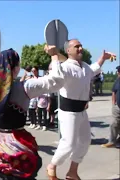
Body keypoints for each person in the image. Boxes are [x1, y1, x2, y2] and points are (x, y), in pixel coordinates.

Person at [0, 46, 66, 180]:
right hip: (17, 143)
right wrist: (54, 56)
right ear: (16, 68)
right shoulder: (25, 87)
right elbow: (56, 81)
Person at [46, 39, 116, 180]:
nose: (80, 48)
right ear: (68, 50)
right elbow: (55, 77)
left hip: (82, 111)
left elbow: (94, 69)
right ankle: (52, 166)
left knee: (85, 141)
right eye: (76, 46)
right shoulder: (65, 67)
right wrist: (53, 55)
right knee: (68, 144)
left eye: (81, 46)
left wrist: (103, 58)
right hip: (68, 112)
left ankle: (72, 171)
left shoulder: (84, 67)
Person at [101, 66, 120, 148]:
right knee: (114, 124)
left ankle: (118, 141)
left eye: (118, 71)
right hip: (117, 107)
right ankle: (112, 141)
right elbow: (113, 92)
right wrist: (114, 103)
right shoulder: (117, 81)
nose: (117, 72)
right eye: (118, 71)